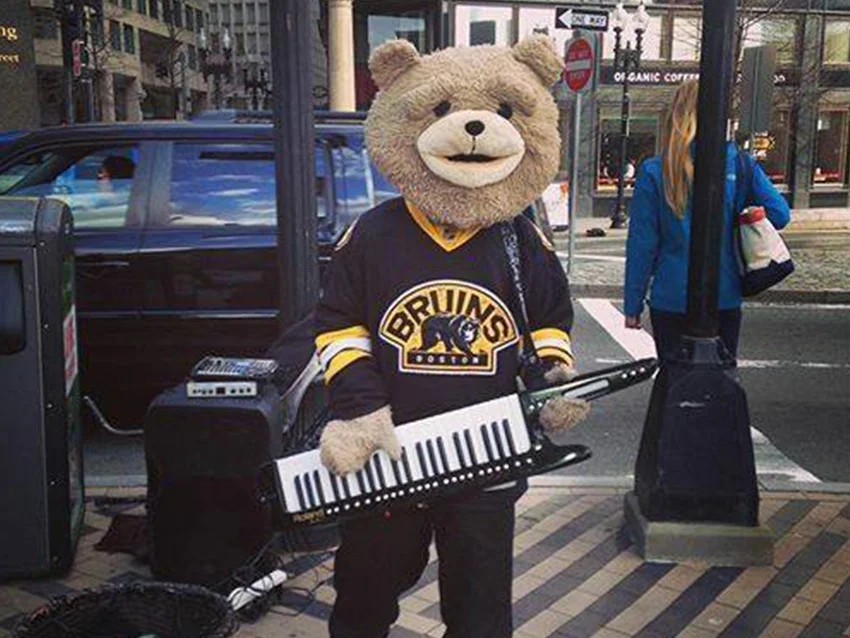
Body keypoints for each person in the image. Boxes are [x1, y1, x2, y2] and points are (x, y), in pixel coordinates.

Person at [623, 80, 791, 361]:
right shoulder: (739, 163)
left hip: (671, 296)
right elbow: (780, 214)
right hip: (723, 295)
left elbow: (642, 246)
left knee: (675, 384)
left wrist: (632, 305)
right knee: (719, 383)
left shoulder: (656, 170)